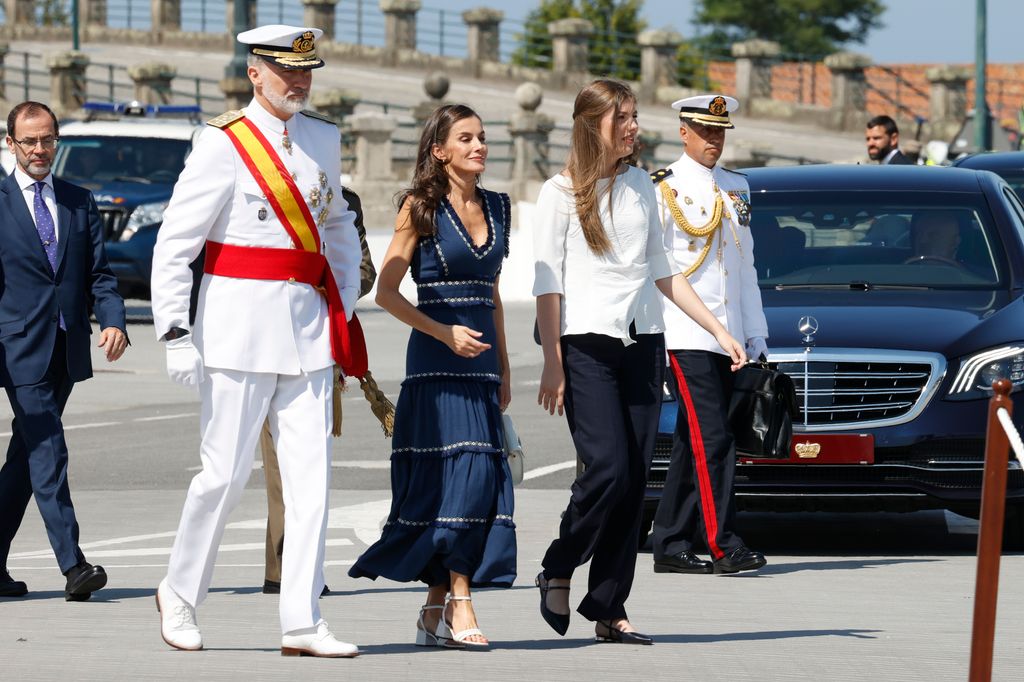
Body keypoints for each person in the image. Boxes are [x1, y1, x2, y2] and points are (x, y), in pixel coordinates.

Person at [150, 25, 363, 657]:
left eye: (306, 72)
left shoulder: (323, 137)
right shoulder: (221, 143)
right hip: (238, 332)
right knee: (223, 475)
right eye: (286, 72)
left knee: (312, 483)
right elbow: (176, 243)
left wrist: (341, 305)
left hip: (307, 334)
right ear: (255, 73)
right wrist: (175, 332)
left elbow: (339, 226)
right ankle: (180, 593)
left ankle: (302, 620)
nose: (299, 82)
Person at [532, 80, 745, 645]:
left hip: (644, 343)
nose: (633, 127)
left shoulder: (641, 188)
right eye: (621, 117)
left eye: (633, 116)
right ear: (590, 124)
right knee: (608, 471)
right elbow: (547, 285)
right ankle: (558, 563)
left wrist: (719, 330)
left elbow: (663, 269)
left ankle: (609, 606)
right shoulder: (557, 193)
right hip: (586, 346)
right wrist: (552, 359)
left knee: (634, 486)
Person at [349, 104, 515, 650]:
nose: (479, 146)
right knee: (453, 483)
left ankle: (434, 605)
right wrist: (444, 333)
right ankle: (461, 599)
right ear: (439, 150)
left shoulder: (499, 207)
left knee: (478, 484)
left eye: (482, 138)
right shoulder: (419, 208)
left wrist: (505, 370)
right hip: (435, 366)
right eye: (465, 138)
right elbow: (387, 292)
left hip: (483, 369)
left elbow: (492, 297)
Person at [0, 101, 128, 600]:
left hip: (66, 349)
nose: (39, 150)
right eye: (29, 141)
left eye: (47, 139)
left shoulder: (78, 199)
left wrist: (114, 321)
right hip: (14, 348)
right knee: (49, 448)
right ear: (11, 143)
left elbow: (100, 275)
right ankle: (74, 565)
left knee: (26, 455)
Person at [649, 94, 770, 577]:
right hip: (684, 332)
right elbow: (658, 271)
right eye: (705, 131)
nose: (714, 140)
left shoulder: (737, 186)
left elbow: (745, 269)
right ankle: (724, 544)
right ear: (684, 132)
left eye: (720, 132)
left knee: (692, 438)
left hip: (731, 335)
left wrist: (756, 334)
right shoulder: (663, 187)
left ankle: (671, 541)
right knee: (714, 438)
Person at [260, 186, 377, 597]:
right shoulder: (256, 189)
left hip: (317, 342)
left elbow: (363, 271)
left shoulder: (341, 200)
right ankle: (285, 567)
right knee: (254, 467)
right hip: (258, 340)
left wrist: (323, 288)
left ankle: (292, 569)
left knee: (306, 461)